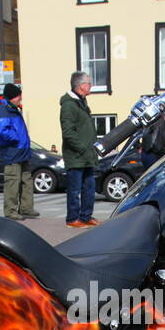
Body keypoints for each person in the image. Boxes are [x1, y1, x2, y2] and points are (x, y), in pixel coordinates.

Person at [59, 71, 98, 227]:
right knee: (74, 190)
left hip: (87, 155)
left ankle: (86, 216)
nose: (91, 86)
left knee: (89, 187)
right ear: (81, 86)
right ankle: (72, 219)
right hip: (76, 156)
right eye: (88, 83)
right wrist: (82, 148)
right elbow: (68, 132)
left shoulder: (82, 102)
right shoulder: (69, 105)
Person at [0, 83, 38, 220]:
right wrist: (17, 139)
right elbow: (1, 131)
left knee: (26, 180)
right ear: (12, 96)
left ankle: (26, 208)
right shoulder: (3, 109)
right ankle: (11, 211)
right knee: (13, 182)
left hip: (22, 151)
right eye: (19, 95)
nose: (20, 98)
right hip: (12, 152)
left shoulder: (13, 109)